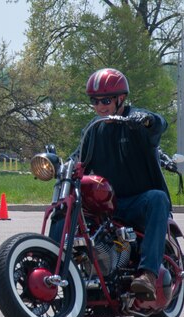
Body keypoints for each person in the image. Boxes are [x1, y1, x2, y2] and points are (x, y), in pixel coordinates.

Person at [69, 68, 170, 300]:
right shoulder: (94, 129)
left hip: (137, 202)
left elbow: (159, 125)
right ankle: (55, 260)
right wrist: (61, 166)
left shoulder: (135, 120)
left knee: (157, 198)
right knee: (69, 204)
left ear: (120, 98)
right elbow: (77, 158)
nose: (100, 106)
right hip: (106, 204)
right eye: (94, 101)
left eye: (105, 100)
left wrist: (147, 120)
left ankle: (148, 274)